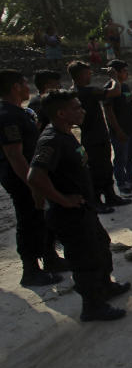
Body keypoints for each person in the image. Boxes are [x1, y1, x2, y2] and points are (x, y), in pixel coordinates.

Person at [28, 90, 130, 321]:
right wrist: (62, 200)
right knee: (85, 259)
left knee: (100, 246)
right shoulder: (51, 139)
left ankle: (105, 287)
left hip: (84, 209)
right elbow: (34, 176)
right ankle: (92, 306)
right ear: (61, 113)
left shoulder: (66, 134)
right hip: (69, 215)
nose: (82, 111)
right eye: (76, 108)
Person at [0, 71, 66, 286]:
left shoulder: (19, 112)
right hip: (22, 178)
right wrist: (32, 183)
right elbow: (14, 155)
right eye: (24, 83)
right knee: (29, 220)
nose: (28, 87)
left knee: (43, 218)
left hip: (33, 175)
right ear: (15, 87)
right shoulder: (7, 115)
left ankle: (50, 258)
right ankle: (30, 270)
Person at [68, 60, 128, 213]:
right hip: (94, 136)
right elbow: (116, 91)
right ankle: (96, 201)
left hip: (95, 135)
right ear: (80, 75)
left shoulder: (73, 91)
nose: (90, 76)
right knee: (96, 169)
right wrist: (114, 78)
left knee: (105, 166)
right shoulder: (86, 91)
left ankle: (110, 195)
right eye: (88, 73)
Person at [102, 60, 132, 194]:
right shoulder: (109, 88)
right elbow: (109, 112)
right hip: (120, 131)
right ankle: (122, 185)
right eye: (123, 71)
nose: (126, 73)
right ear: (115, 73)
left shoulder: (126, 87)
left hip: (131, 128)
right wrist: (117, 130)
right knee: (120, 158)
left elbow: (131, 107)